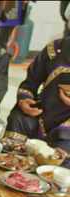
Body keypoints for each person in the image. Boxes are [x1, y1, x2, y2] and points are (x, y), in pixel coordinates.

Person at [5, 36, 70, 167]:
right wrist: (24, 101)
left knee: (62, 149)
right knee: (18, 118)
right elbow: (30, 82)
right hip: (44, 113)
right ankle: (11, 169)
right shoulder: (55, 48)